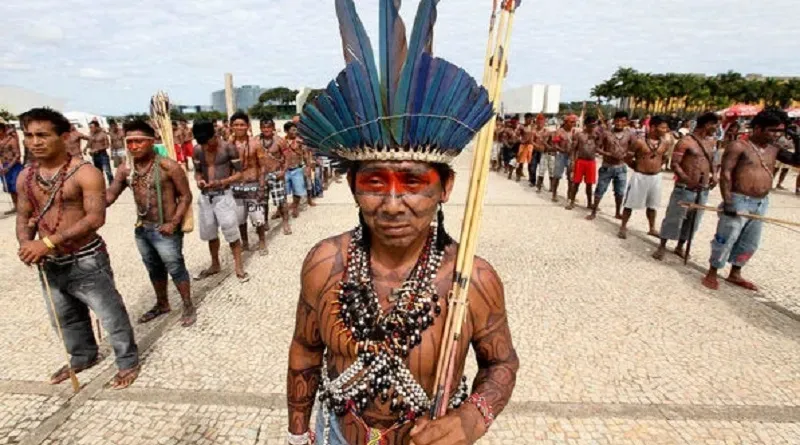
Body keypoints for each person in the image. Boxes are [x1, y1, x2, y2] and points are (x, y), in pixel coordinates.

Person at [287, 3, 519, 444]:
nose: (393, 204)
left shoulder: (473, 279)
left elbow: (501, 363)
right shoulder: (324, 263)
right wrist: (299, 433)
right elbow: (305, 349)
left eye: (413, 182)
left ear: (445, 186)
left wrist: (473, 417)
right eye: (375, 182)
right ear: (353, 186)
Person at [15, 108, 139, 389]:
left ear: (65, 137)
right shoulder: (26, 177)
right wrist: (25, 245)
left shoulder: (86, 173)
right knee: (65, 318)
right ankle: (83, 356)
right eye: (29, 135)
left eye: (43, 135)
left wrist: (45, 242)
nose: (35, 142)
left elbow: (95, 218)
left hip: (86, 259)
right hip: (50, 263)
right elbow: (23, 216)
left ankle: (128, 361)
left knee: (110, 314)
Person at [105, 120, 196, 327]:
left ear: (152, 141)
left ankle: (188, 304)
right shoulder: (126, 170)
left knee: (175, 267)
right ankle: (162, 303)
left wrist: (173, 223)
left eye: (139, 141)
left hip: (166, 229)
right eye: (130, 142)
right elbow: (109, 196)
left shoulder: (168, 166)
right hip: (143, 228)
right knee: (153, 268)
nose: (134, 146)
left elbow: (185, 196)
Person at [702, 110, 800, 291]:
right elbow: (726, 173)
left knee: (750, 241)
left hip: (761, 202)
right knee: (726, 238)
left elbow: (797, 161)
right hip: (739, 199)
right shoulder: (739, 146)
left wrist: (797, 138)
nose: (776, 135)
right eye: (772, 130)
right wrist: (728, 201)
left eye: (780, 131)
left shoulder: (774, 149)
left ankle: (735, 273)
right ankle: (712, 271)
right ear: (757, 128)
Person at [652, 112, 719, 261]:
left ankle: (680, 246)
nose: (716, 128)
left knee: (693, 221)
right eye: (714, 124)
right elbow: (675, 164)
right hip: (685, 188)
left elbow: (713, 161)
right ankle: (662, 245)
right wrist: (686, 178)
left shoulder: (711, 142)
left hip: (702, 189)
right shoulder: (685, 142)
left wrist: (714, 175)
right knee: (674, 217)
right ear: (707, 124)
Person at [191, 121, 249, 283]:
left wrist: (223, 181)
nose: (205, 146)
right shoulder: (197, 150)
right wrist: (199, 180)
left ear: (214, 135)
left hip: (223, 195)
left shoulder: (228, 148)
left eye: (208, 141)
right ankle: (215, 264)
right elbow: (197, 172)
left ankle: (239, 266)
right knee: (210, 233)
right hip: (205, 197)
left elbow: (240, 174)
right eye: (201, 143)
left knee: (231, 231)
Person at [617, 115, 670, 239]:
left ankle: (652, 228)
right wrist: (636, 167)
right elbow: (627, 157)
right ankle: (623, 226)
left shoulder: (665, 143)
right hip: (640, 176)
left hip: (655, 177)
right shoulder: (639, 142)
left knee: (653, 204)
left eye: (666, 128)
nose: (665, 130)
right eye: (662, 127)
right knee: (630, 203)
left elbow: (664, 158)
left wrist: (656, 166)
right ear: (653, 127)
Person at [228, 112, 268, 255]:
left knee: (257, 217)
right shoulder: (227, 145)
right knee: (240, 218)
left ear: (248, 126)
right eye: (236, 125)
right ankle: (245, 242)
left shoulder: (255, 143)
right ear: (231, 126)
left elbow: (263, 166)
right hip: (235, 187)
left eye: (242, 125)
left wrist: (262, 186)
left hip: (253, 185)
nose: (239, 127)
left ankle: (262, 241)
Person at [587, 111, 634, 221]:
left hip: (621, 167)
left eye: (622, 121)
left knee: (620, 192)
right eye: (617, 120)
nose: (619, 123)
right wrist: (608, 154)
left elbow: (633, 149)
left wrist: (626, 156)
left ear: (626, 122)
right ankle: (593, 211)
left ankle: (618, 212)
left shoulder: (629, 135)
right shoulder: (606, 133)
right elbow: (597, 148)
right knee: (600, 190)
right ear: (614, 121)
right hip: (607, 166)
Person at [258, 119, 292, 235]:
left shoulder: (280, 141)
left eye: (268, 127)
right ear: (260, 128)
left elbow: (287, 157)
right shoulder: (256, 141)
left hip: (276, 174)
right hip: (262, 176)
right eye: (263, 127)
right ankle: (265, 221)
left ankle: (285, 223)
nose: (266, 129)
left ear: (273, 127)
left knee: (282, 201)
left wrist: (284, 171)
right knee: (263, 201)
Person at [566, 115, 600, 210]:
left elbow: (600, 147)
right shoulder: (579, 135)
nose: (593, 127)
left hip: (591, 162)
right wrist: (572, 161)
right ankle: (572, 201)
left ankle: (589, 203)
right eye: (591, 125)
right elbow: (573, 149)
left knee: (589, 184)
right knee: (576, 183)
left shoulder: (597, 136)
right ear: (586, 125)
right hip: (580, 161)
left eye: (594, 125)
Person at [281, 122, 313, 218]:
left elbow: (306, 155)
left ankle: (295, 207)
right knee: (284, 191)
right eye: (293, 130)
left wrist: (308, 167)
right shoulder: (282, 141)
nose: (295, 132)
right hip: (285, 170)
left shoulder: (300, 141)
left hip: (297, 169)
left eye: (296, 129)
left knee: (297, 190)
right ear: (286, 131)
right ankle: (282, 209)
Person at [550, 114, 578, 203]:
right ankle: (554, 194)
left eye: (574, 122)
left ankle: (569, 195)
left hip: (571, 156)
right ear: (566, 122)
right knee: (557, 176)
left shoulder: (575, 132)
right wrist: (563, 150)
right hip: (561, 155)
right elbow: (555, 145)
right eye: (571, 122)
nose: (573, 124)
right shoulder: (559, 132)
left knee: (571, 177)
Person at [0, 119, 23, 214]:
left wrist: (8, 167)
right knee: (9, 188)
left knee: (17, 188)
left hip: (13, 166)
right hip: (2, 166)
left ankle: (23, 207)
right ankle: (16, 206)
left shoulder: (11, 139)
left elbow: (17, 154)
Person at [530, 114, 548, 190]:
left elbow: (547, 140)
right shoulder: (534, 131)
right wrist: (537, 146)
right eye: (539, 121)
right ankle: (533, 181)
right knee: (533, 167)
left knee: (542, 168)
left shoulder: (546, 131)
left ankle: (540, 182)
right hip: (535, 151)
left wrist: (544, 146)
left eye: (542, 121)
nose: (540, 122)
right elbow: (531, 141)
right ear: (536, 122)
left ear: (544, 122)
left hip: (543, 152)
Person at [516, 113, 535, 182]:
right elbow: (517, 135)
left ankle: (530, 178)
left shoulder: (533, 127)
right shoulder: (522, 127)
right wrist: (521, 140)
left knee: (530, 163)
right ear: (525, 119)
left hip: (530, 146)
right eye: (528, 118)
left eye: (531, 118)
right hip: (523, 145)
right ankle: (518, 175)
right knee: (521, 162)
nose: (530, 120)